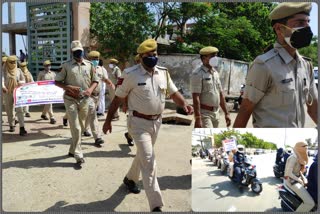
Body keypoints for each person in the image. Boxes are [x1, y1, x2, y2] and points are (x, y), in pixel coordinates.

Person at [102, 38, 193, 212]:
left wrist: (184, 104)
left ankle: (130, 179)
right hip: (138, 123)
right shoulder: (130, 74)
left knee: (143, 155)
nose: (153, 57)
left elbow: (173, 92)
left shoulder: (163, 73)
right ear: (141, 56)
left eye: (155, 54)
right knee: (149, 161)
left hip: (156, 122)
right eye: (149, 55)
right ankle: (156, 205)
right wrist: (107, 120)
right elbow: (117, 99)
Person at [233, 2, 317, 128]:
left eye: (307, 22)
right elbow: (245, 109)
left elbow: (314, 108)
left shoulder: (306, 66)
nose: (307, 28)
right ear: (279, 29)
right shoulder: (264, 65)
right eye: (300, 23)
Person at [55, 40, 99, 165]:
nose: (78, 54)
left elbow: (95, 80)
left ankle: (71, 149)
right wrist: (68, 87)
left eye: (80, 51)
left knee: (81, 126)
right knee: (76, 127)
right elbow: (57, 81)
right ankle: (78, 154)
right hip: (70, 99)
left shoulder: (90, 65)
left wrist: (90, 90)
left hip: (84, 99)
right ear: (71, 52)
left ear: (83, 51)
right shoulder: (66, 65)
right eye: (76, 52)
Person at [191, 46, 231, 128]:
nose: (215, 58)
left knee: (212, 137)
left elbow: (220, 94)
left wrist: (227, 113)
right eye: (212, 56)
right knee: (207, 137)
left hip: (216, 112)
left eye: (216, 55)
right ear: (204, 58)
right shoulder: (197, 74)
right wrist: (198, 118)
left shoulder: (215, 73)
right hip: (205, 113)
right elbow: (196, 97)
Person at [83, 51, 113, 146]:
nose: (95, 60)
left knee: (90, 114)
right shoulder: (86, 69)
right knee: (93, 115)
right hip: (89, 96)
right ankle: (97, 137)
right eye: (93, 59)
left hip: (97, 95)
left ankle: (85, 129)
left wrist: (110, 83)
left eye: (97, 59)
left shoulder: (100, 69)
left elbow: (104, 78)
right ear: (89, 60)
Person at [284, 141, 314, 211]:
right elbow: (288, 173)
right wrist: (299, 180)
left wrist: (303, 177)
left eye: (306, 146)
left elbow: (298, 171)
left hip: (297, 179)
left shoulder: (299, 157)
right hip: (291, 181)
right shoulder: (293, 158)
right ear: (298, 147)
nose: (306, 148)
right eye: (303, 146)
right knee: (310, 203)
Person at [2, 55, 27, 136]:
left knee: (20, 110)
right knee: (9, 109)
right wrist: (3, 87)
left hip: (17, 92)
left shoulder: (19, 70)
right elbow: (1, 80)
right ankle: (11, 124)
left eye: (15, 62)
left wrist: (21, 83)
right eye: (11, 62)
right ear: (8, 63)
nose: (13, 63)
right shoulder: (3, 71)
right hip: (7, 92)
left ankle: (22, 128)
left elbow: (23, 80)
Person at [123, 54, 141, 146]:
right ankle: (129, 136)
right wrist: (125, 104)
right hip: (132, 104)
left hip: (144, 105)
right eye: (139, 61)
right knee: (131, 124)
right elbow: (124, 91)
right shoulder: (130, 73)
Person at [37, 60, 57, 124]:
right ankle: (52, 117)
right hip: (44, 91)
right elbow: (38, 82)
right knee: (49, 103)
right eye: (46, 66)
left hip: (51, 91)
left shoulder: (53, 74)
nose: (48, 67)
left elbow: (56, 82)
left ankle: (43, 114)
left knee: (48, 103)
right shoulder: (41, 73)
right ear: (44, 66)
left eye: (49, 65)